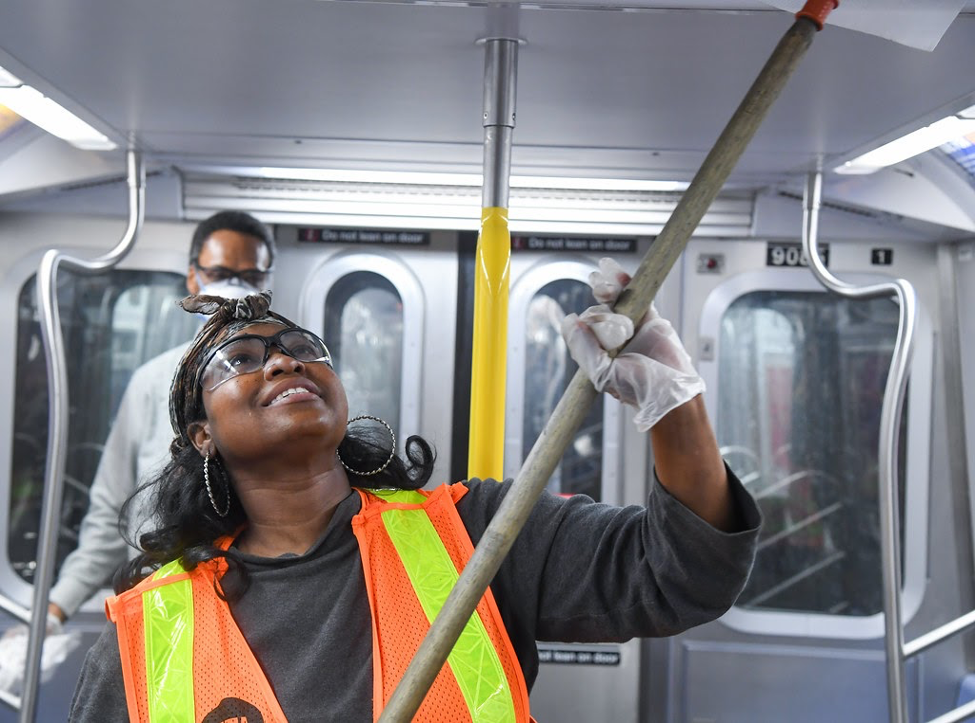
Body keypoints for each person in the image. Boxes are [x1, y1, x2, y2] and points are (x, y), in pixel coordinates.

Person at [68, 259, 761, 723]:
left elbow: (683, 574)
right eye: (240, 360)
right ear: (202, 436)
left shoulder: (475, 535)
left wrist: (674, 404)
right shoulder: (153, 628)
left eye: (302, 347)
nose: (284, 358)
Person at [46, 210, 277, 625]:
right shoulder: (152, 382)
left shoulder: (285, 378)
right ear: (194, 278)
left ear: (267, 283)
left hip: (255, 606)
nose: (235, 287)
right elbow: (111, 507)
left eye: (251, 277)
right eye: (221, 272)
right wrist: (57, 605)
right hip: (159, 603)